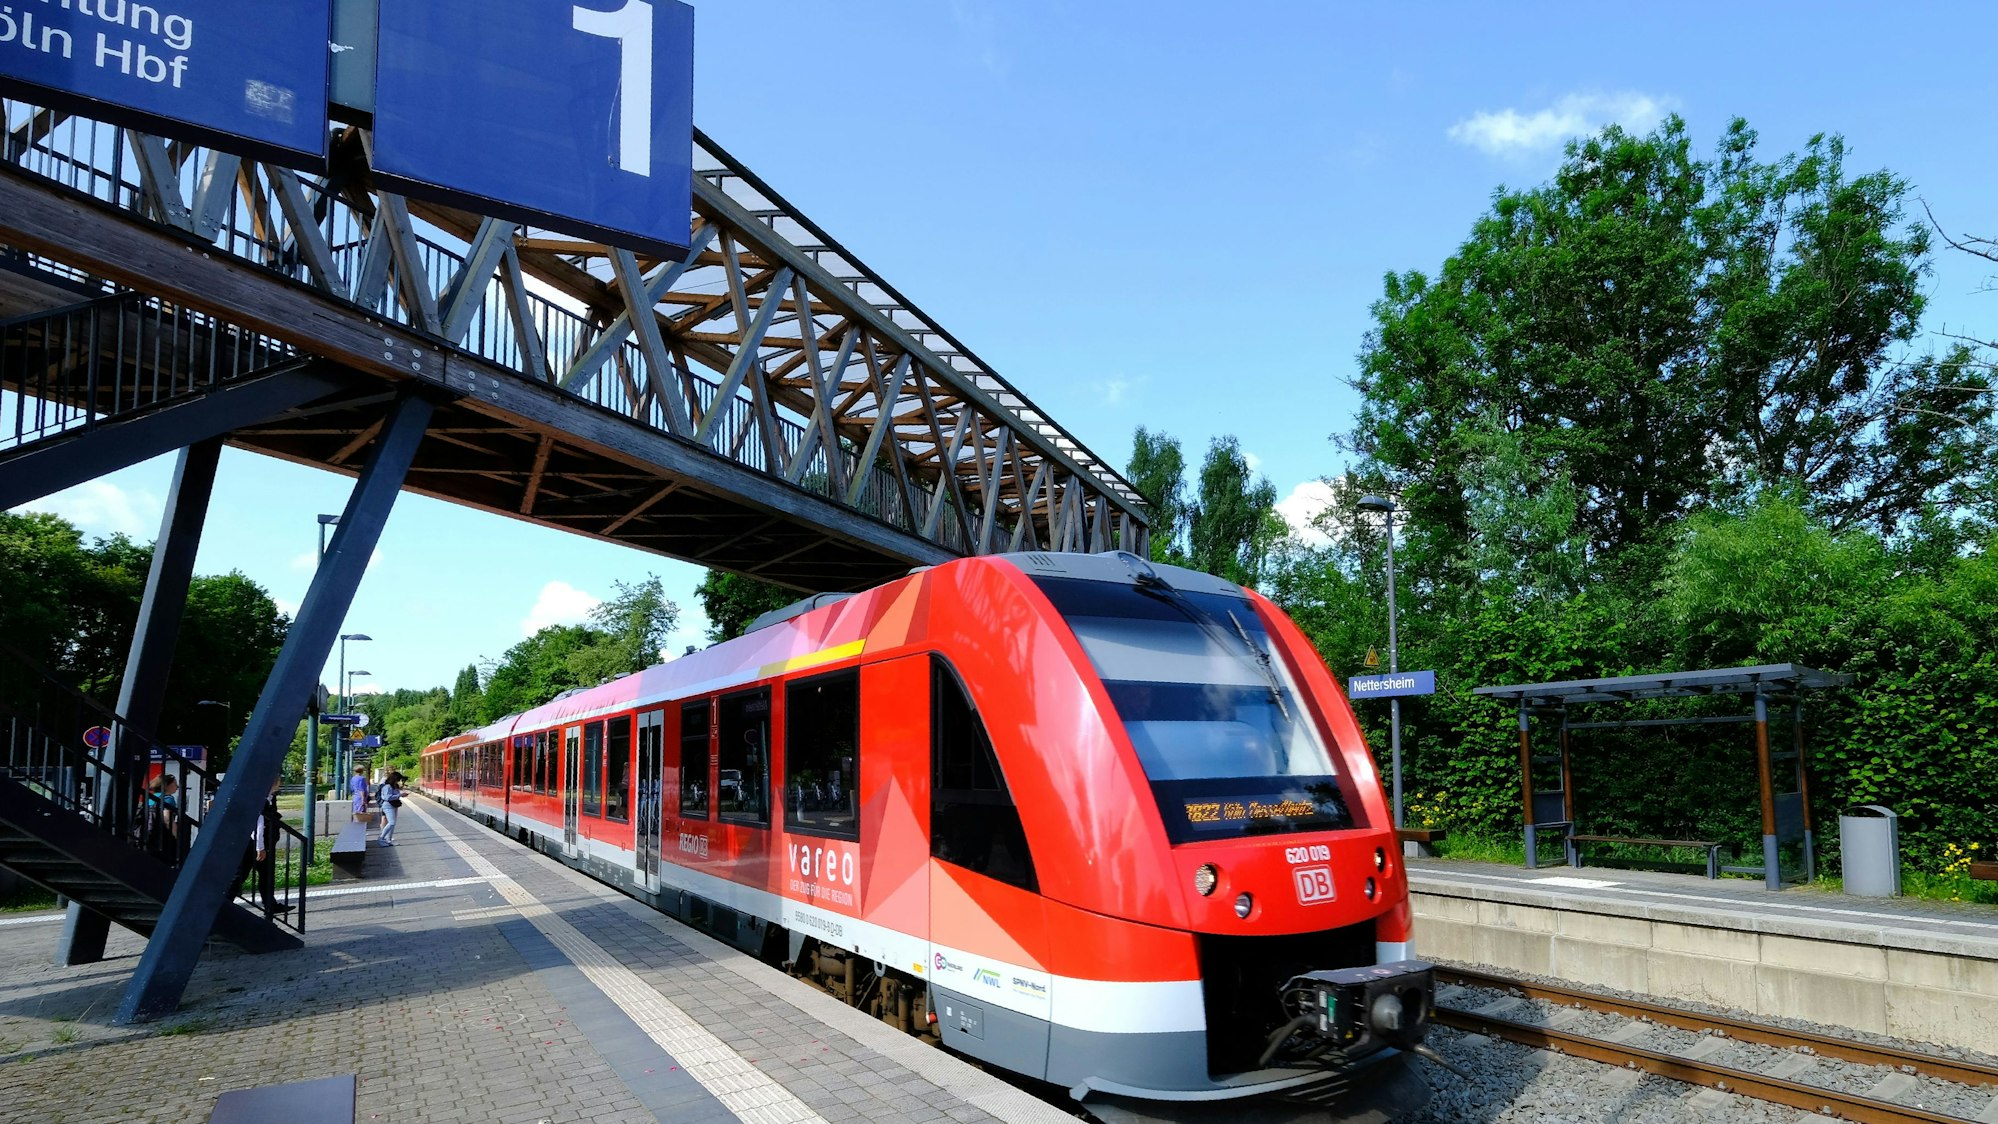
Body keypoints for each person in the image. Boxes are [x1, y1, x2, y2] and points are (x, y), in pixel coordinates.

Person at [235, 779, 290, 915]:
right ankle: (225, 899)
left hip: (264, 843)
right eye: (278, 782)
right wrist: (260, 847)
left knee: (266, 874)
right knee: (242, 874)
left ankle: (270, 905)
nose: (280, 784)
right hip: (258, 844)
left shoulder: (269, 798)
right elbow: (258, 824)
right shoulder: (262, 800)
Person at [377, 771, 404, 846]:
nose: (398, 781)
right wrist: (399, 795)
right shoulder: (387, 787)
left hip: (394, 805)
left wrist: (401, 795)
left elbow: (395, 795)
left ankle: (389, 840)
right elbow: (387, 797)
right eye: (398, 779)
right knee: (392, 823)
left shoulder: (394, 786)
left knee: (393, 824)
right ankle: (381, 838)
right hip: (388, 806)